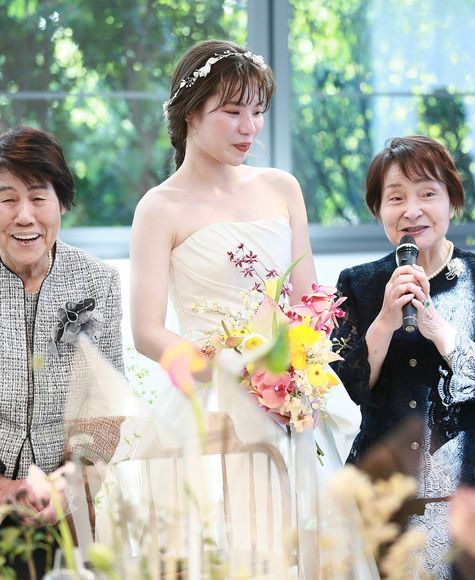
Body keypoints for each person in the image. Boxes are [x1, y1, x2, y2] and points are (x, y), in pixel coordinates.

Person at [129, 39, 360, 576]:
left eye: (257, 112)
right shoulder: (159, 207)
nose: (249, 128)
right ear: (190, 113)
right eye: (232, 112)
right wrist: (236, 373)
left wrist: (292, 369)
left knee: (307, 547)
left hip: (292, 397)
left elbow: (310, 302)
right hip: (211, 401)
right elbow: (146, 331)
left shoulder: (281, 188)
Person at [330, 135, 475, 579]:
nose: (411, 210)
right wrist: (384, 321)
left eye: (428, 194)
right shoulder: (357, 284)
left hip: (471, 498)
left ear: (452, 201)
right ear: (379, 209)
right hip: (383, 498)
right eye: (396, 198)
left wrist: (443, 333)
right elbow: (348, 388)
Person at [0, 126, 125, 576]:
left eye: (39, 197)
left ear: (62, 203)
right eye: (7, 199)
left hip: (68, 499)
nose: (24, 216)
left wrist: (68, 486)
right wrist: (4, 489)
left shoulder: (98, 281)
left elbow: (105, 408)